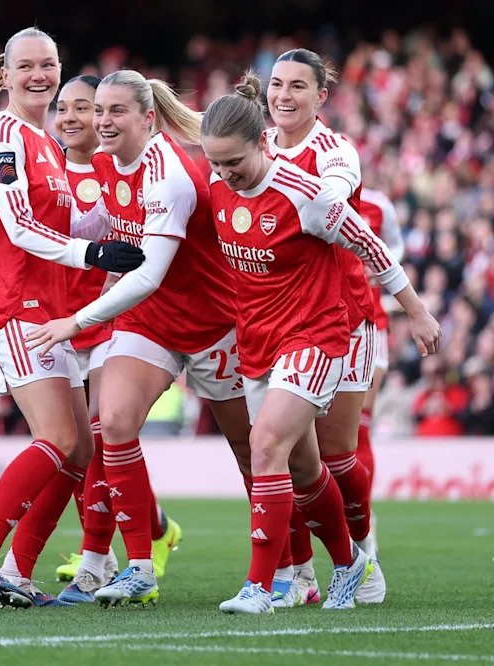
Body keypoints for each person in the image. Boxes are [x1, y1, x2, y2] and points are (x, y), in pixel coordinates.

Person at [0, 75, 181, 604]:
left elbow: (122, 249)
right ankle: (21, 560)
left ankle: (90, 558)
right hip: (52, 321)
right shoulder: (49, 164)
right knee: (77, 442)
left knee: (95, 441)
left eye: (85, 109)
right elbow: (30, 243)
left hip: (102, 320)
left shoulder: (119, 170)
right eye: (63, 107)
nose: (71, 117)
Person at [200, 72, 439, 614]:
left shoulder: (306, 193)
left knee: (265, 447)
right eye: (216, 165)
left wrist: (417, 311)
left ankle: (262, 586)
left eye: (233, 163)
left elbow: (371, 247)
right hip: (257, 340)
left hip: (316, 334)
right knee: (306, 470)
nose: (225, 175)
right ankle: (352, 563)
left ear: (261, 142)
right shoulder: (215, 187)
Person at [24, 69, 250, 606]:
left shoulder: (168, 175)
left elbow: (148, 271)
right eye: (98, 110)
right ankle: (139, 566)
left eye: (115, 111)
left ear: (148, 119)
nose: (101, 121)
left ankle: (296, 568)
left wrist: (74, 321)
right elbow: (93, 229)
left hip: (212, 324)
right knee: (112, 423)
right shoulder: (103, 162)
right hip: (148, 320)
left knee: (253, 451)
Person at [264, 48, 384, 606]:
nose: (283, 95)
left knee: (336, 455)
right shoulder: (255, 145)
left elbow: (329, 202)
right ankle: (300, 573)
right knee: (281, 449)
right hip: (274, 318)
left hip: (342, 313)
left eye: (297, 87)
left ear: (321, 97)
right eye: (277, 84)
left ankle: (364, 550)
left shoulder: (336, 152)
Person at [356, 187, 404, 540]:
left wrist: (378, 267)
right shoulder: (312, 194)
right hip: (321, 323)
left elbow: (396, 247)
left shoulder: (378, 204)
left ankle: (364, 521)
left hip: (370, 323)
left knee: (359, 428)